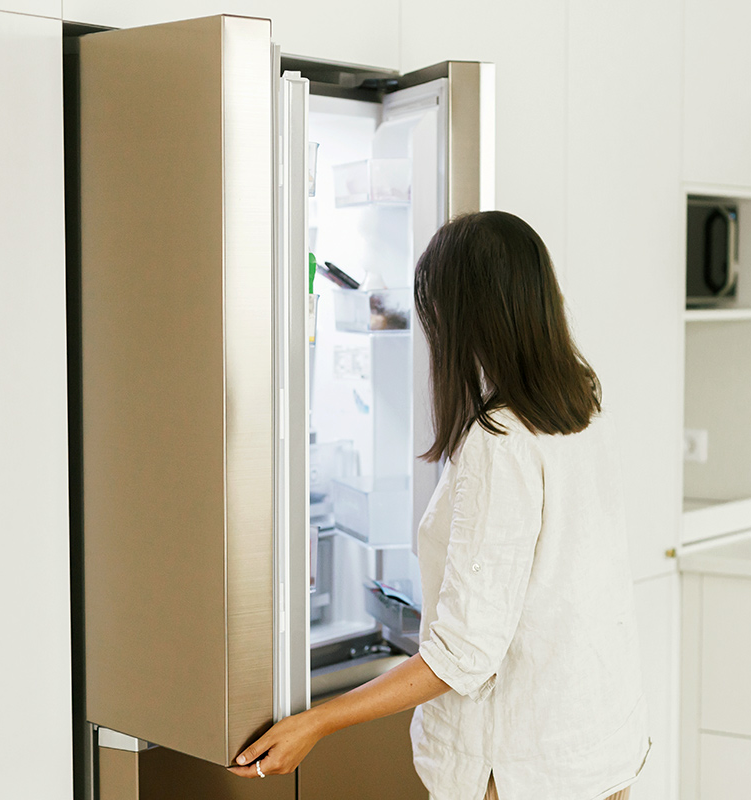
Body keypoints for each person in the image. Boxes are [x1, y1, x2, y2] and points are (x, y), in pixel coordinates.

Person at [229, 211, 651, 800]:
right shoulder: (581, 401)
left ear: (461, 320)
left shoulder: (500, 440)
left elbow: (463, 655)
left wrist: (316, 721)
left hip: (518, 771)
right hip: (595, 749)